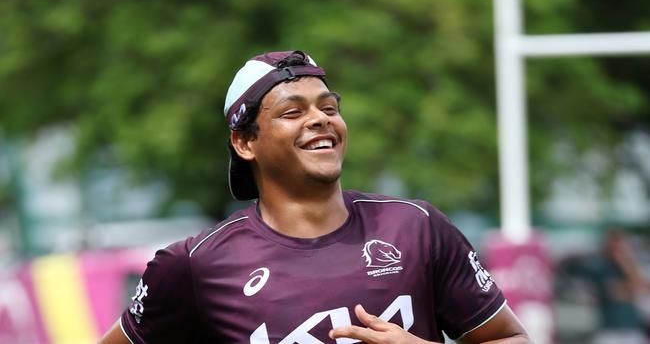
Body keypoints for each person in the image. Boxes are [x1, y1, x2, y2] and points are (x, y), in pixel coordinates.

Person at [99, 50, 530, 343]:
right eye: (292, 112)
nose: (321, 120)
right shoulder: (196, 265)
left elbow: (509, 336)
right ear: (245, 143)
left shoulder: (416, 226)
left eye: (328, 108)